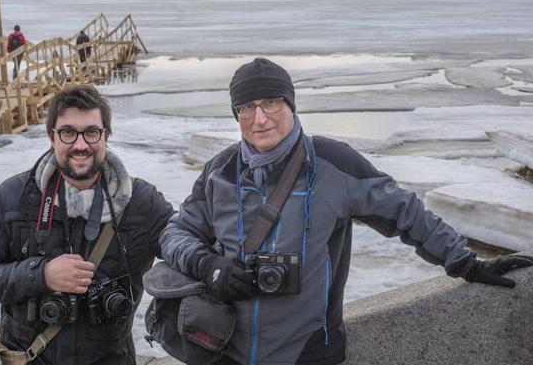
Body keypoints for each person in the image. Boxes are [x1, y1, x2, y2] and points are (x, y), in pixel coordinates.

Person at [159, 57, 533, 365]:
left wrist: (466, 263)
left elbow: (405, 212)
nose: (260, 118)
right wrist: (209, 266)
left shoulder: (333, 164)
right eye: (247, 108)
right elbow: (175, 233)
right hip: (228, 351)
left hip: (308, 354)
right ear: (236, 114)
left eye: (271, 102)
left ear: (290, 104)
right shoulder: (220, 172)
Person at [0, 84, 174, 365]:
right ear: (52, 136)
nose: (80, 145)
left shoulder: (141, 202)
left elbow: (184, 247)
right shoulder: (14, 196)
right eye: (68, 132)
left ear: (106, 135)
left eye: (91, 132)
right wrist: (41, 274)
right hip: (31, 358)